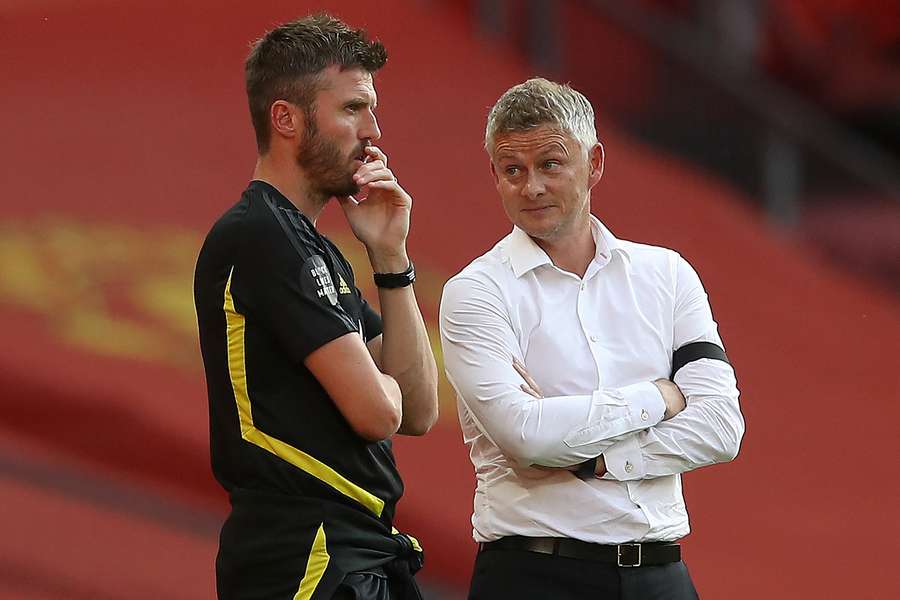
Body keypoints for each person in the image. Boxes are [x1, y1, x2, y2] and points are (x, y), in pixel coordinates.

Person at [439, 78, 745, 599]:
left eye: (550, 164)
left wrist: (591, 459)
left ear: (594, 164)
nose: (531, 187)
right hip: (533, 574)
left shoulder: (667, 274)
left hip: (661, 573)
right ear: (495, 176)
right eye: (513, 170)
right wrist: (659, 398)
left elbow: (720, 428)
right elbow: (527, 437)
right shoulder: (475, 292)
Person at [194, 14, 439, 600]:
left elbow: (418, 409)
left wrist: (391, 259)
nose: (373, 131)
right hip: (304, 555)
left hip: (351, 551)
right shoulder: (260, 235)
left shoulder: (312, 247)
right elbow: (378, 413)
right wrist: (383, 388)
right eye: (353, 109)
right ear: (286, 118)